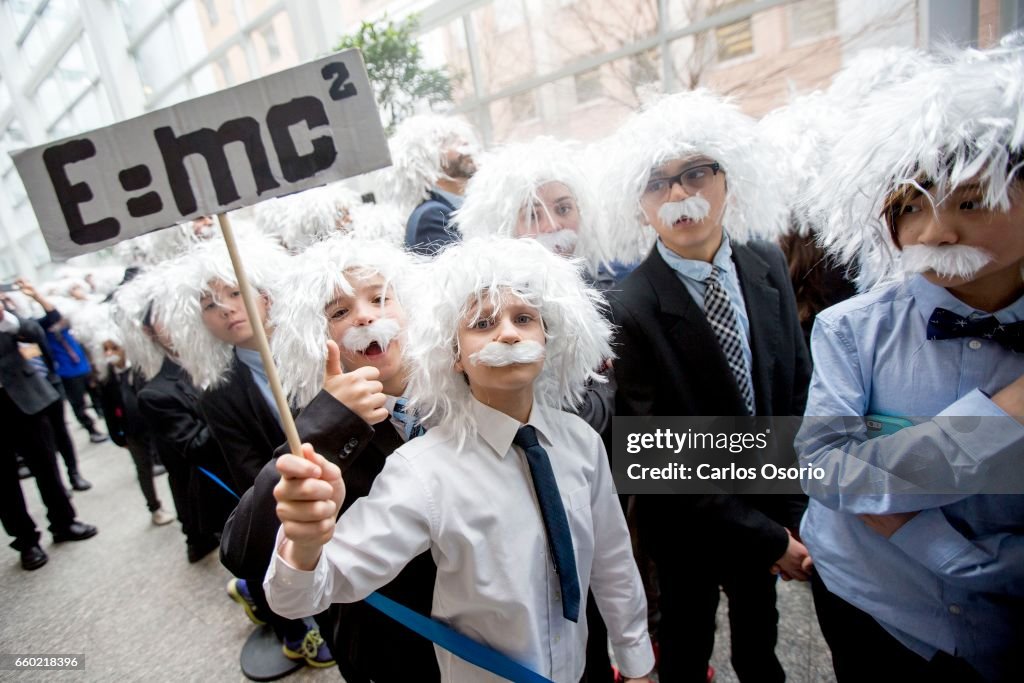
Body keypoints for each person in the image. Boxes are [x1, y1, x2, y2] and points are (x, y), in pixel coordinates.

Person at [264, 237, 655, 683]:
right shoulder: (422, 471)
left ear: (547, 336)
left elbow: (612, 560)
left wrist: (635, 655)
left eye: (524, 318)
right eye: (484, 323)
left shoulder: (581, 443)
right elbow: (302, 595)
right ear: (454, 356)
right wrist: (307, 541)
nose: (507, 333)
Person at [796, 46, 1024, 682]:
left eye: (971, 202)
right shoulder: (852, 329)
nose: (935, 232)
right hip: (874, 603)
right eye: (910, 208)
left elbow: (858, 478)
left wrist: (894, 492)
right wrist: (1002, 416)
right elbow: (829, 469)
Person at [601, 90, 813, 682]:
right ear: (638, 203)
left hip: (770, 496)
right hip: (688, 526)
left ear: (727, 179)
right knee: (687, 645)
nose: (678, 194)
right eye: (657, 182)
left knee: (759, 646)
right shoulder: (630, 305)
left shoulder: (765, 261)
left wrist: (790, 509)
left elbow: (793, 384)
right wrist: (765, 537)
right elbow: (652, 451)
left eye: (695, 173)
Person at [222, 235, 440, 682]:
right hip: (397, 643)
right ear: (318, 339)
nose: (364, 314)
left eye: (380, 297)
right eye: (338, 311)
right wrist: (329, 420)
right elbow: (242, 549)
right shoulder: (319, 421)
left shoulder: (466, 386)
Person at [160, 235, 333, 668]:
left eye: (236, 291)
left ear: (265, 292)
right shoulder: (218, 392)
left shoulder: (320, 345)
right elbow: (249, 470)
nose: (226, 309)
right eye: (209, 304)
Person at [113, 263, 233, 564]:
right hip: (218, 493)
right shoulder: (155, 393)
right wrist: (225, 403)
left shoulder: (228, 353)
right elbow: (193, 448)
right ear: (148, 330)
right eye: (163, 317)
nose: (176, 321)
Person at [1, 307, 97, 570]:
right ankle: (26, 541)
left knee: (46, 464)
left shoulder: (6, 316)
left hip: (25, 396)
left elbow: (34, 333)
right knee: (4, 486)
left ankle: (64, 522)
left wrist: (5, 318)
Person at [454, 137, 615, 291]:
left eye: (563, 209)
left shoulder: (603, 286)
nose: (553, 226)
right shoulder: (503, 309)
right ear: (504, 230)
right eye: (532, 216)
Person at [13, 279, 96, 490]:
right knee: (43, 444)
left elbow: (53, 317)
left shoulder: (23, 324)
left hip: (47, 383)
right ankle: (58, 484)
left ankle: (74, 473)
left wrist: (36, 296)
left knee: (61, 433)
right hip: (24, 394)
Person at [94, 322, 174, 526]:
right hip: (131, 432)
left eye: (114, 347)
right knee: (143, 469)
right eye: (106, 349)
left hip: (154, 427)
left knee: (171, 465)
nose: (110, 353)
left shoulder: (142, 369)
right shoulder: (106, 379)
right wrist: (118, 437)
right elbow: (108, 412)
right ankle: (154, 506)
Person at [385, 114, 479, 255]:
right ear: (425, 161)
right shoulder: (431, 216)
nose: (464, 142)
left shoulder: (464, 204)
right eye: (448, 141)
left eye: (459, 137)